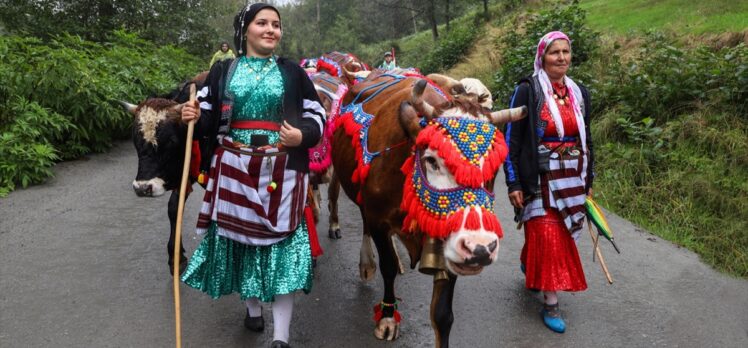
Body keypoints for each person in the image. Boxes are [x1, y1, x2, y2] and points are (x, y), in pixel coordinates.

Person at [180, 3, 325, 348]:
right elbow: (207, 114)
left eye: (276, 24)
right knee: (242, 243)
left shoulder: (292, 72)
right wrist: (192, 114)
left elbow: (316, 112)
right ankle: (253, 309)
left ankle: (281, 336)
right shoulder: (223, 72)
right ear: (246, 30)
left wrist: (301, 135)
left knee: (282, 248)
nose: (271, 29)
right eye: (262, 23)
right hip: (233, 167)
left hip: (282, 170)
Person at [502, 31, 594, 334]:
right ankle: (551, 302)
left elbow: (587, 139)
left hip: (572, 177)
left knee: (559, 233)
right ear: (542, 56)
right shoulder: (528, 90)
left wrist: (589, 178)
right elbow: (512, 139)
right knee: (547, 234)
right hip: (538, 176)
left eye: (566, 52)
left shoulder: (579, 92)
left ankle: (530, 260)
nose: (562, 58)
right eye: (555, 52)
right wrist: (513, 182)